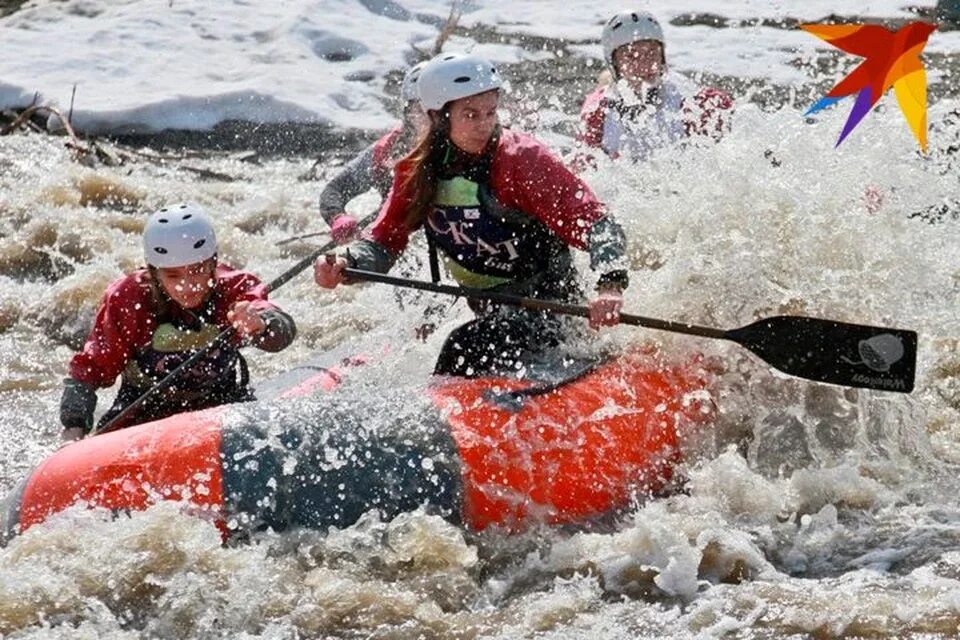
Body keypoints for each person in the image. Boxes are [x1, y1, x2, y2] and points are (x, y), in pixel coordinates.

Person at [314, 53, 629, 379]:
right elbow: (384, 239)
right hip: (491, 312)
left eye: (490, 112)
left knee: (465, 345)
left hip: (552, 309)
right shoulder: (415, 169)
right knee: (469, 340)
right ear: (438, 117)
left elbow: (597, 222)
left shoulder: (523, 159)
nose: (484, 124)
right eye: (470, 114)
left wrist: (610, 285)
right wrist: (347, 263)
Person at [59, 203, 297, 440]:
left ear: (213, 263)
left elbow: (280, 327)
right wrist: (74, 428)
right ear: (154, 272)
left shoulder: (234, 289)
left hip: (221, 402)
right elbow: (90, 369)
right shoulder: (129, 299)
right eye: (173, 275)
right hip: (144, 408)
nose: (187, 285)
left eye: (197, 270)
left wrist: (261, 325)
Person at [578, 10, 734, 163]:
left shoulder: (701, 104)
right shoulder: (597, 112)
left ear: (663, 56)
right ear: (614, 64)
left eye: (651, 52)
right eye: (631, 56)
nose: (645, 64)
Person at [319, 62, 428, 244]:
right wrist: (338, 218)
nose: (430, 119)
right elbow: (334, 189)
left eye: (441, 111)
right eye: (421, 110)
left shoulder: (478, 146)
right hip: (402, 242)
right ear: (408, 113)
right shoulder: (387, 151)